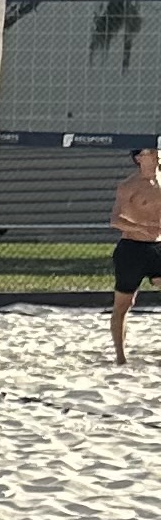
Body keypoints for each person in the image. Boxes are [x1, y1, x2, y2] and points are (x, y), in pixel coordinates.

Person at [111, 147, 161, 364]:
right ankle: (120, 357)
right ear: (139, 158)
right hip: (132, 248)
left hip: (158, 248)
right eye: (152, 151)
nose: (158, 154)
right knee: (124, 304)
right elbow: (115, 219)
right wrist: (142, 227)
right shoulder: (129, 186)